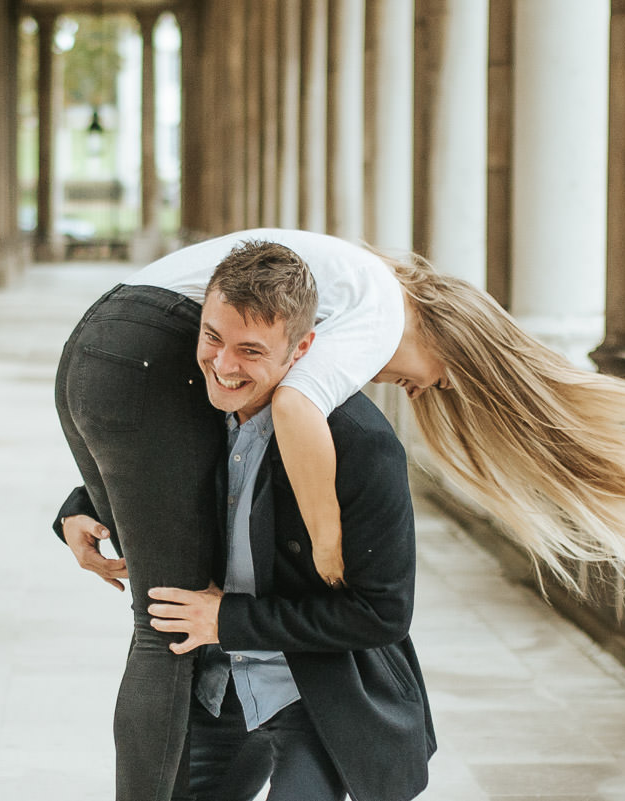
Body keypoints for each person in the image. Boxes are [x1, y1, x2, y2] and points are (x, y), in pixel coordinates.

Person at [53, 229, 625, 800]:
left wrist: (89, 498)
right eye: (433, 378)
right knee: (162, 625)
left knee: (176, 632)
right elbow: (270, 417)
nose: (413, 386)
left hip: (102, 346)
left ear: (301, 344)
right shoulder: (358, 328)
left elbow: (182, 460)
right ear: (448, 339)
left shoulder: (324, 417)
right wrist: (326, 539)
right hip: (139, 348)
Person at [137, 257, 433, 800]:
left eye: (251, 350)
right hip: (215, 688)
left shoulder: (362, 443)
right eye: (213, 338)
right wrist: (81, 505)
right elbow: (144, 467)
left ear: (301, 350)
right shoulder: (198, 407)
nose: (223, 365)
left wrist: (227, 619)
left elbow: (382, 613)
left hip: (317, 698)